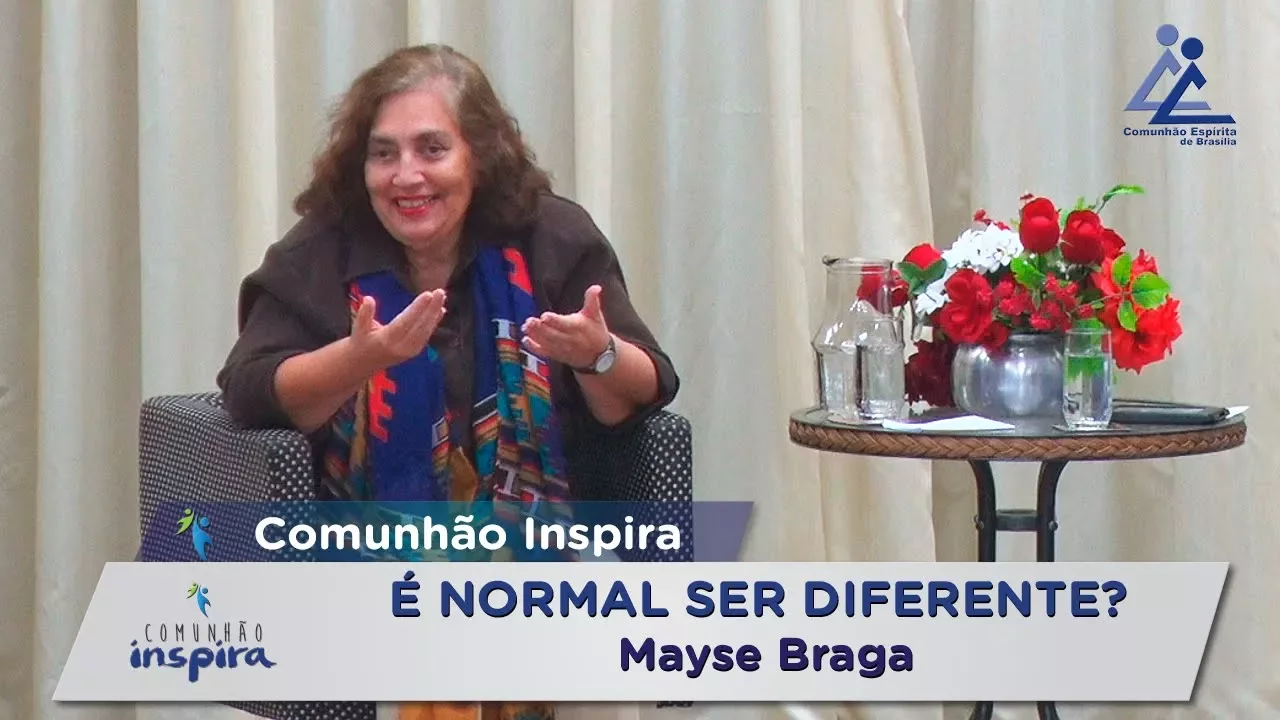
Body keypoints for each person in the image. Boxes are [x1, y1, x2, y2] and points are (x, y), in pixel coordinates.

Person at [216, 44, 680, 720]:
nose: (406, 176)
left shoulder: (550, 236)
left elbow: (645, 388)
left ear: (479, 157)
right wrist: (357, 360)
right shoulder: (323, 250)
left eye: (431, 149)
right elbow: (251, 390)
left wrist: (598, 355)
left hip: (539, 538)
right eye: (384, 153)